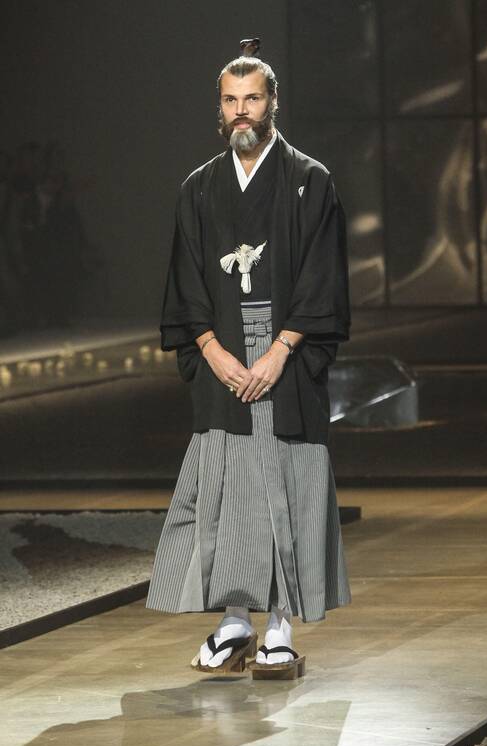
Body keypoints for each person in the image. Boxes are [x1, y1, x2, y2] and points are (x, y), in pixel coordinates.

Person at [147, 40, 352, 678]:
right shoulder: (199, 188)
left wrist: (281, 350)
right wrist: (211, 351)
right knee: (227, 493)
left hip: (286, 359)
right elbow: (186, 281)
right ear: (219, 108)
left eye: (252, 99)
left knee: (285, 489)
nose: (242, 111)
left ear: (272, 104)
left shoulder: (310, 181)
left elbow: (322, 278)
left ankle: (280, 625)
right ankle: (235, 621)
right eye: (231, 100)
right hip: (224, 361)